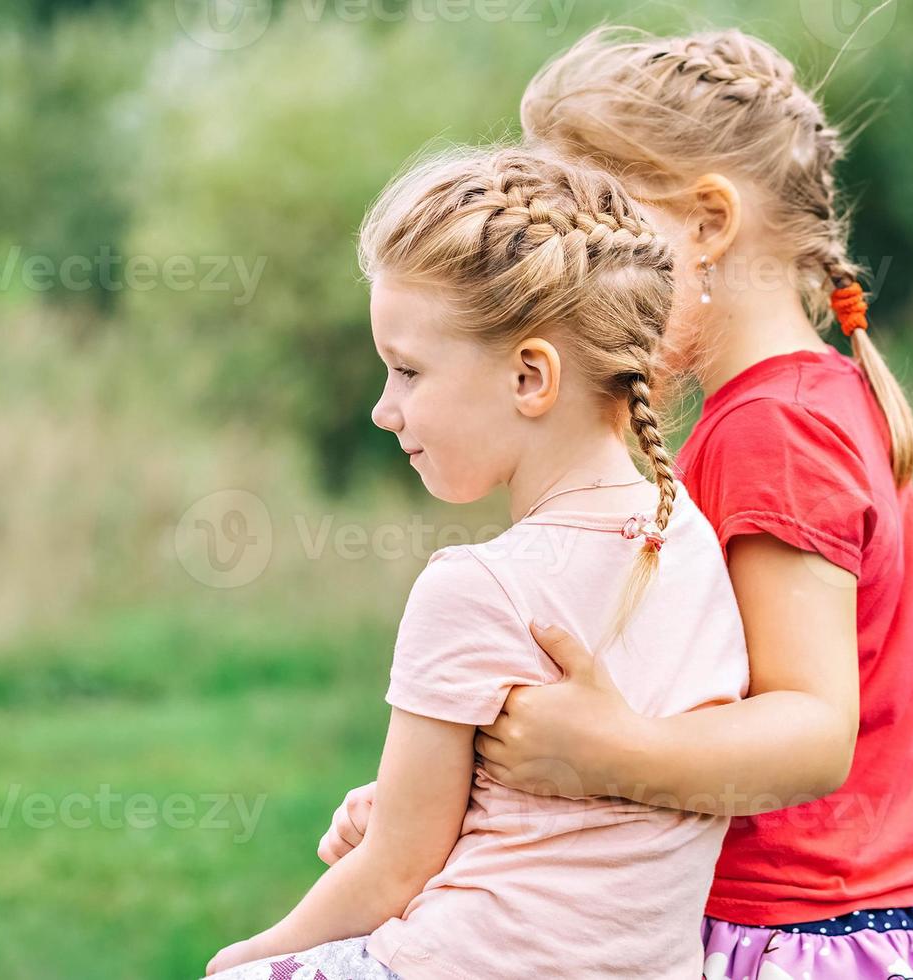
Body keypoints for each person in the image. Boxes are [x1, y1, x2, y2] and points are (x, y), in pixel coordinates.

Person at [317, 27, 913, 980]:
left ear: (708, 225)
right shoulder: (796, 403)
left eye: (604, 230)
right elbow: (670, 688)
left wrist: (613, 751)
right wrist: (434, 795)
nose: (570, 274)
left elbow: (810, 728)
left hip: (789, 929)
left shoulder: (775, 431)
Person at [205, 145, 750, 979]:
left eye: (408, 371)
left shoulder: (475, 586)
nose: (385, 411)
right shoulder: (690, 544)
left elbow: (394, 870)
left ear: (531, 375)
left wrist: (251, 955)